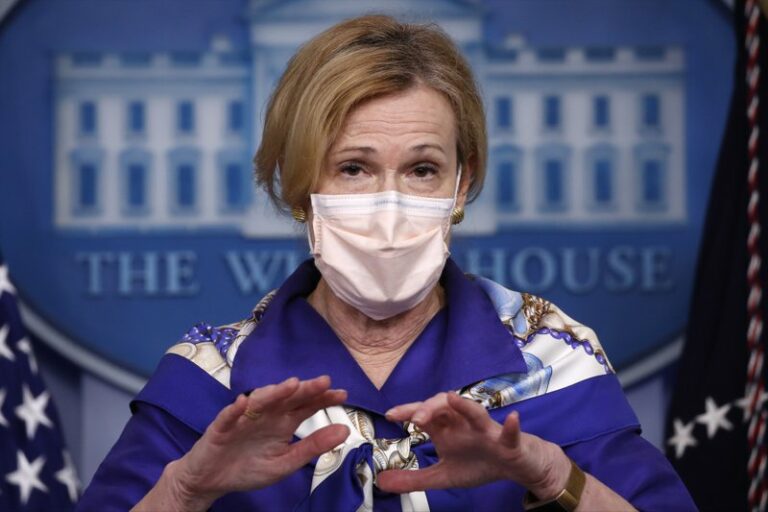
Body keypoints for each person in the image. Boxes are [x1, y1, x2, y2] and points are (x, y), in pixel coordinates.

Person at [78, 15, 695, 512]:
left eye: (422, 169)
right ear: (298, 185)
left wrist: (553, 472)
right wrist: (185, 491)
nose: (390, 204)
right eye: (354, 168)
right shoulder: (212, 380)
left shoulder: (550, 359)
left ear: (461, 185)